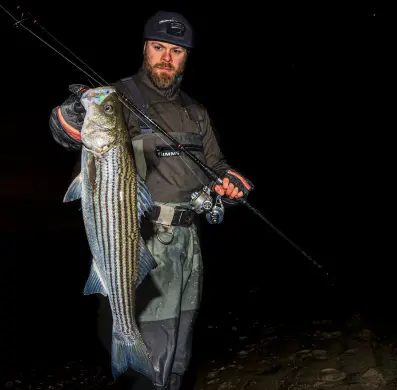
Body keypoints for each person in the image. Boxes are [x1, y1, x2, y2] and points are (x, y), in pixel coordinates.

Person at [49, 10, 253, 389]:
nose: (166, 57)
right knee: (148, 365)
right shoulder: (117, 97)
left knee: (178, 353)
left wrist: (230, 182)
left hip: (188, 246)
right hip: (137, 237)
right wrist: (73, 113)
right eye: (159, 47)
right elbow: (65, 129)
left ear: (186, 57)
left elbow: (215, 164)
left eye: (177, 51)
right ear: (145, 48)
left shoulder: (196, 111)